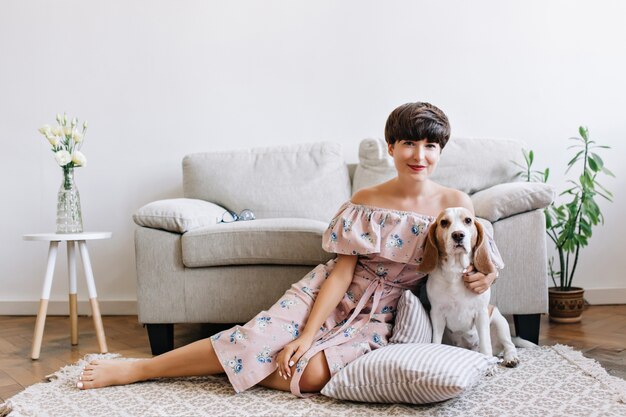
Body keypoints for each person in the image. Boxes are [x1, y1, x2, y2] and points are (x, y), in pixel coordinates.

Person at [76, 101, 500, 396]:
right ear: (391, 147)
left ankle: (240, 359)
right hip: (328, 293)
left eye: (430, 146)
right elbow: (341, 271)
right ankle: (138, 370)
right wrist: (311, 330)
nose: (419, 155)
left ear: (440, 152)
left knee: (312, 375)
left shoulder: (455, 205)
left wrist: (488, 274)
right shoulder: (366, 199)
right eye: (409, 143)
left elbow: (479, 257)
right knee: (259, 338)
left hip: (385, 312)